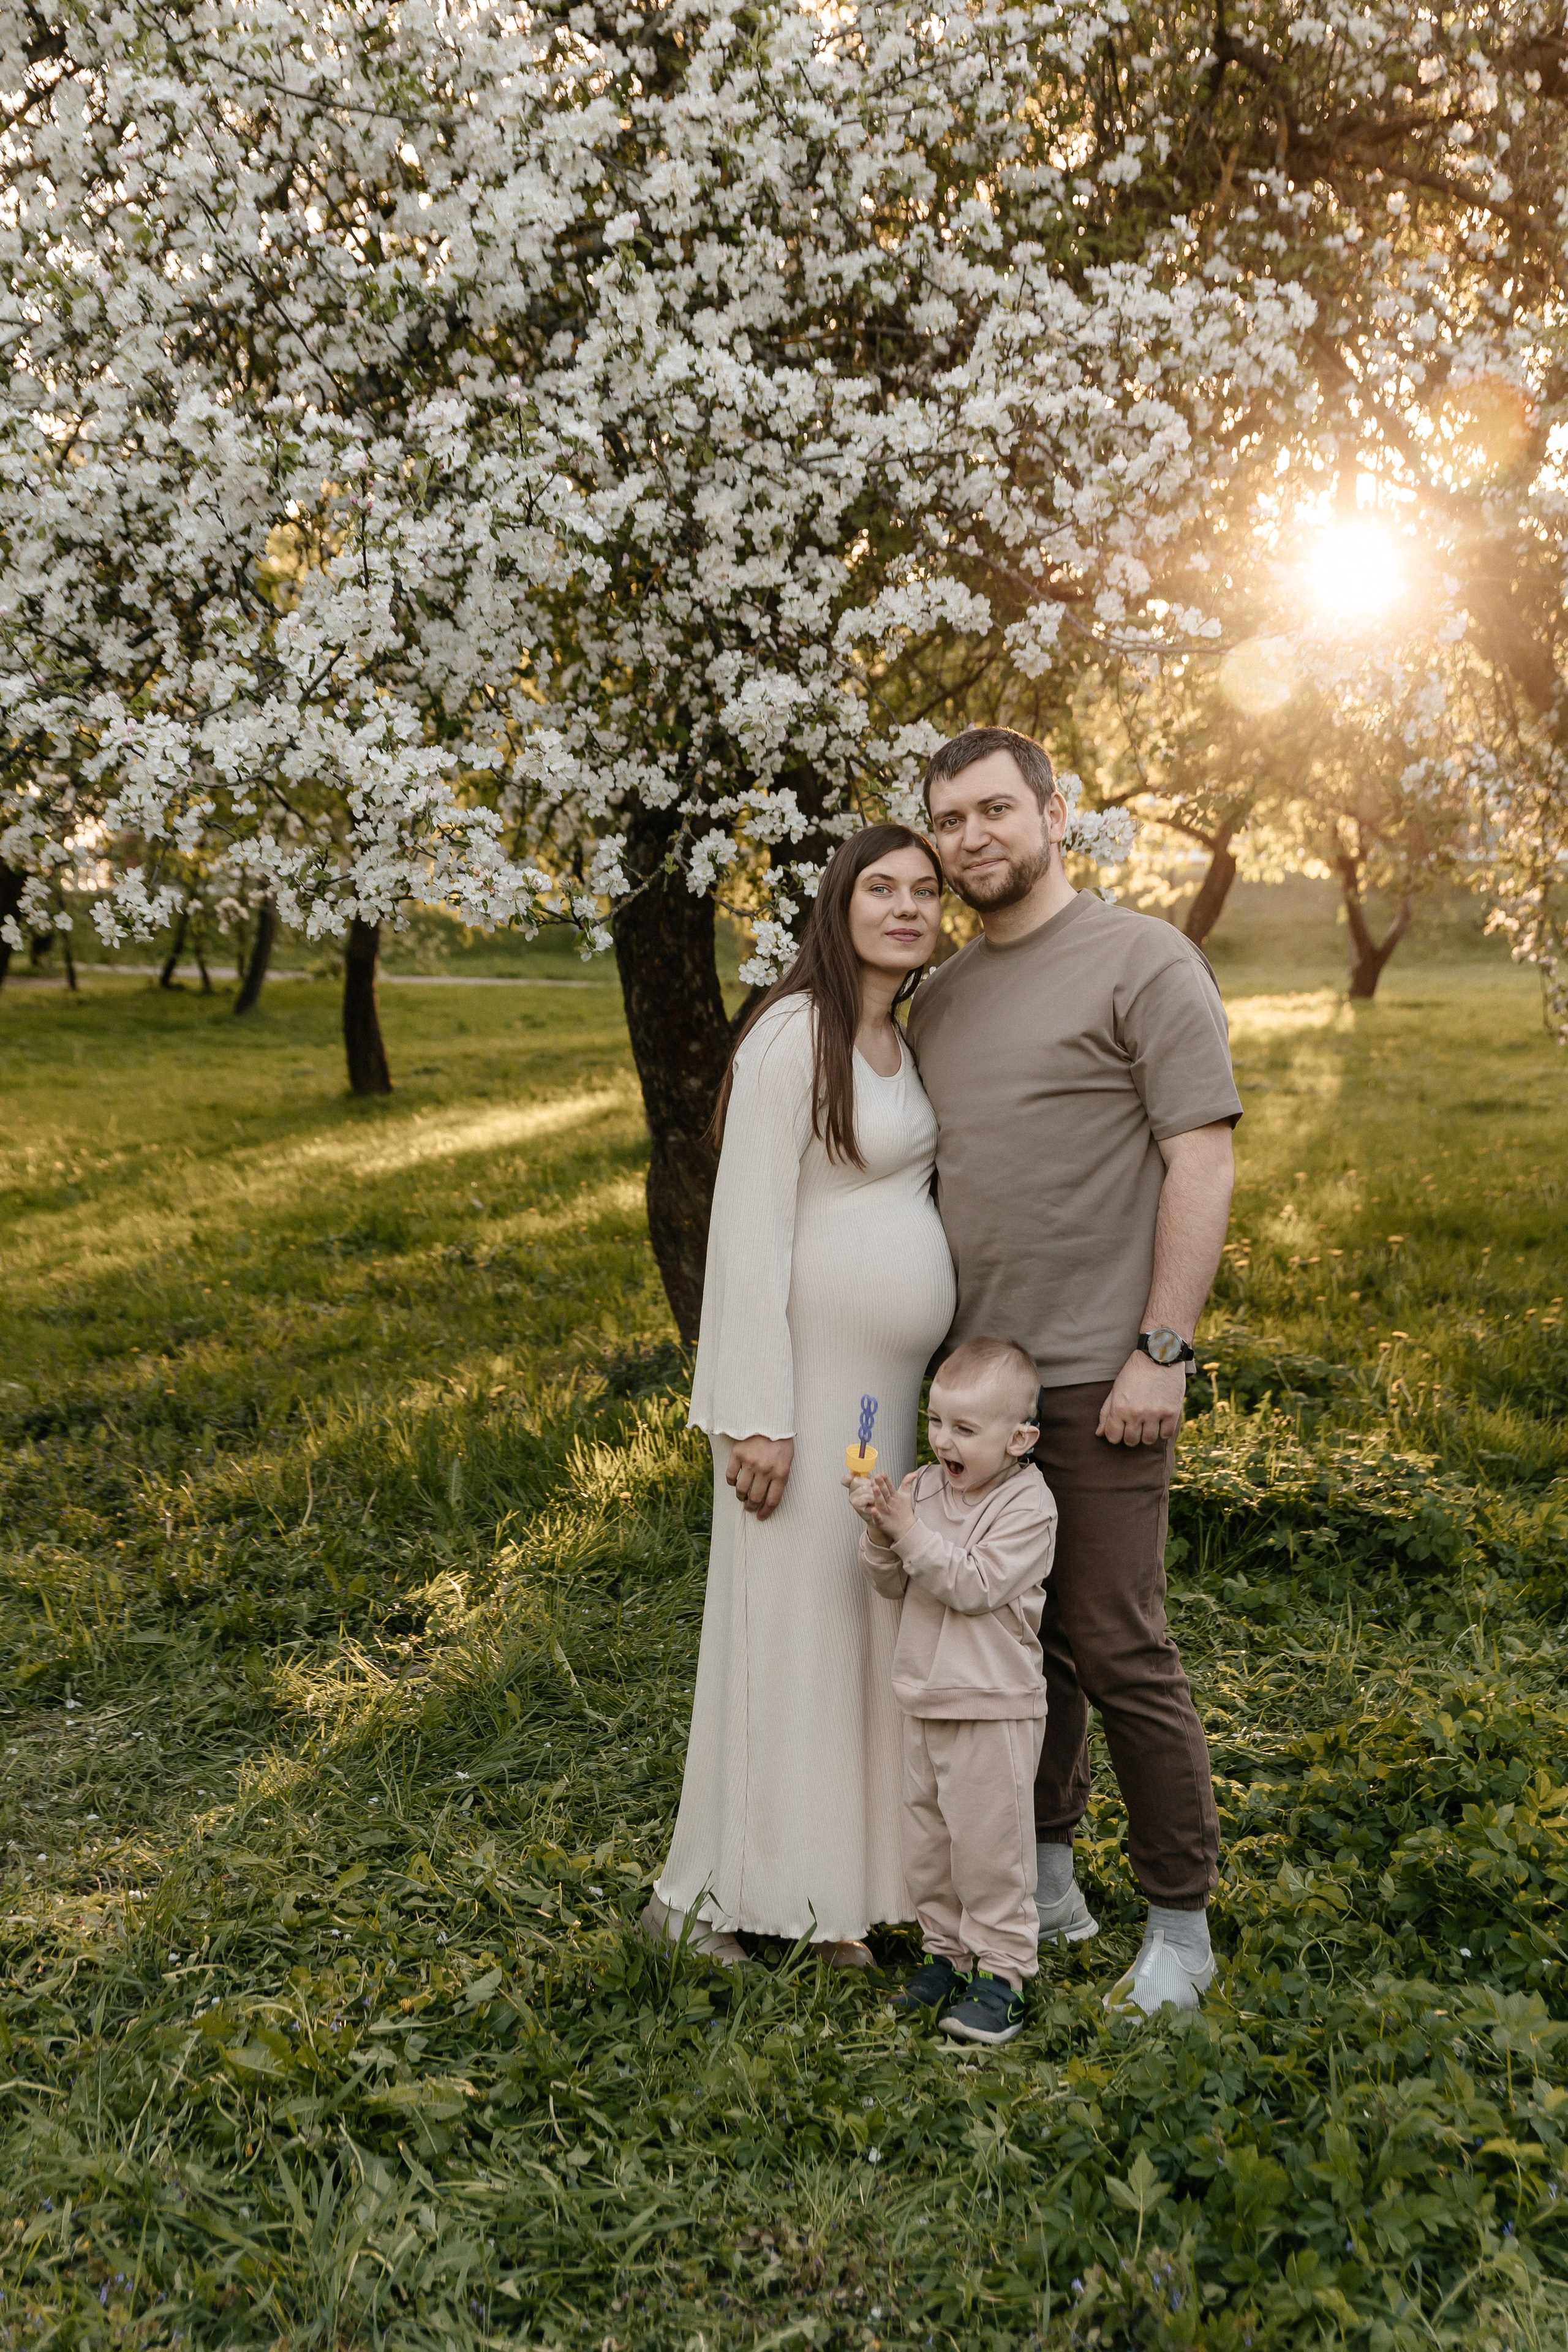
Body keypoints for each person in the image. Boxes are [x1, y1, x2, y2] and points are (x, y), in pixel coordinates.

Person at [907, 726, 1241, 2016]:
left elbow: (1198, 1157)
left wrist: (1159, 1349)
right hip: (973, 1395)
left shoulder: (1141, 958)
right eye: (950, 821)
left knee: (1111, 1642)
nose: (973, 837)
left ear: (1056, 814)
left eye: (996, 809)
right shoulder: (940, 995)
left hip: (1102, 1376)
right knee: (1013, 1648)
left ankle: (1179, 1926)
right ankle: (1043, 1880)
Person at [644, 824, 957, 1968]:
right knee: (782, 1638)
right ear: (839, 903)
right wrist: (757, 1413)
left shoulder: (896, 1036)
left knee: (859, 1631)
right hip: (801, 1396)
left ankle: (834, 1902)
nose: (906, 907)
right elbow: (747, 1236)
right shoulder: (793, 1034)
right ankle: (697, 1906)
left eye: (926, 890)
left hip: (879, 1401)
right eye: (881, 887)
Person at [850, 1335, 1056, 2048]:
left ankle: (1002, 1977)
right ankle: (945, 1955)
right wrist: (881, 1530)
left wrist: (907, 1531)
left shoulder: (1029, 1505)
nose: (943, 1440)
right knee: (930, 1846)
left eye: (965, 1429)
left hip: (992, 1705)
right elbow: (891, 1583)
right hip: (925, 1697)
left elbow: (971, 1584)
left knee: (990, 1850)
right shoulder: (920, 1489)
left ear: (1019, 1438)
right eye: (936, 1422)